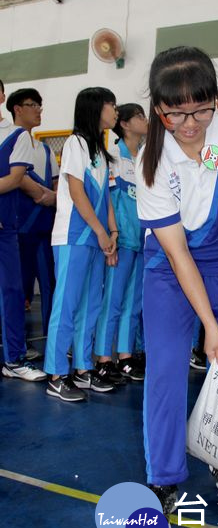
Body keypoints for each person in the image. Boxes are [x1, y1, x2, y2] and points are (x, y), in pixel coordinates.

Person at [135, 46, 218, 514]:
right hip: (169, 270)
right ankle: (164, 476)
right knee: (166, 369)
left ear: (216, 99)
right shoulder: (150, 161)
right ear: (158, 109)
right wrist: (209, 323)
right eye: (176, 113)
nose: (190, 124)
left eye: (201, 109)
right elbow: (176, 253)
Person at [44, 87, 118, 401]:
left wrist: (113, 233)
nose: (115, 112)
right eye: (111, 106)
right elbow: (76, 192)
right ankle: (57, 373)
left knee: (92, 305)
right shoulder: (75, 144)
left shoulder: (102, 152)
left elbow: (108, 199)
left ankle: (83, 369)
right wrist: (101, 232)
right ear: (95, 108)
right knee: (67, 305)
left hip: (96, 237)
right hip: (74, 236)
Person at [95, 103, 147, 383]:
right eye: (140, 116)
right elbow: (108, 202)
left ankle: (125, 357)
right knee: (112, 301)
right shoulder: (113, 155)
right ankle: (104, 359)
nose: (146, 120)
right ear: (125, 124)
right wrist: (111, 238)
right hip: (121, 241)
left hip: (142, 242)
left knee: (133, 303)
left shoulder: (145, 158)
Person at [0, 78, 46, 381]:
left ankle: (14, 359)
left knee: (12, 290)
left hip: (5, 226)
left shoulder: (16, 135)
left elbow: (16, 179)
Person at [7, 88, 58, 338]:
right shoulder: (9, 141)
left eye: (40, 105)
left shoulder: (45, 150)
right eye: (33, 105)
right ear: (17, 108)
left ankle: (52, 338)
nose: (39, 110)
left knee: (48, 283)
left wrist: (54, 197)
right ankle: (16, 341)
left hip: (44, 226)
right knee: (16, 286)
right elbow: (17, 178)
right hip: (17, 225)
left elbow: (57, 183)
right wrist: (41, 194)